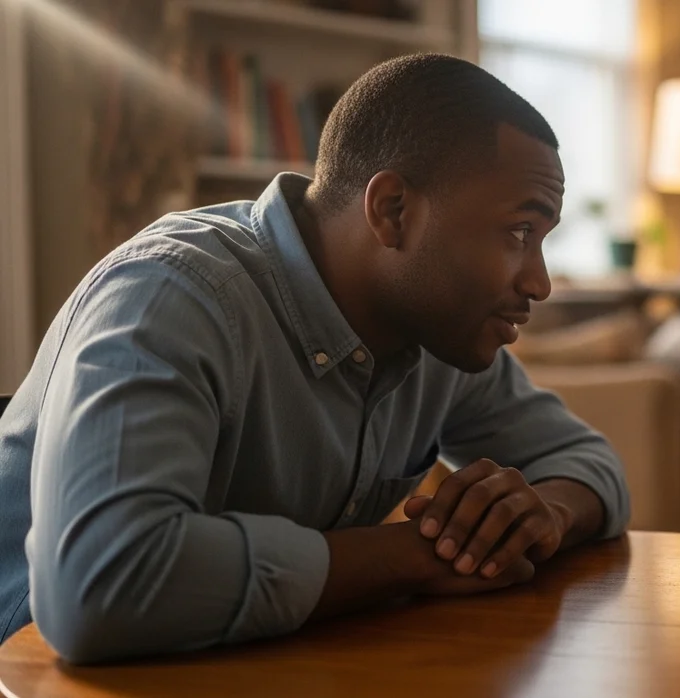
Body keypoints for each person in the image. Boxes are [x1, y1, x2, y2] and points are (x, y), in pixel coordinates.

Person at [0, 53, 630, 663]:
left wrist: (541, 514)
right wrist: (415, 556)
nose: (540, 283)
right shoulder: (170, 296)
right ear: (393, 211)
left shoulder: (434, 332)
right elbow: (98, 588)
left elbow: (589, 462)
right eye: (520, 232)